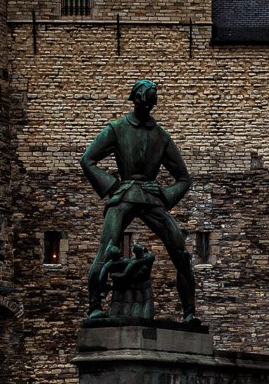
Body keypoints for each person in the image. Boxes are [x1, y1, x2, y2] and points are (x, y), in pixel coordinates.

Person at [81, 78, 202, 326]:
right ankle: (95, 306)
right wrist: (112, 186)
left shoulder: (161, 137)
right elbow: (88, 160)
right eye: (142, 102)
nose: (145, 107)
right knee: (105, 249)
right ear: (135, 100)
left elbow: (183, 178)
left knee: (180, 251)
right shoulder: (116, 129)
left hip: (150, 196)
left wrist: (165, 197)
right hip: (124, 194)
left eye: (149, 103)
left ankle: (189, 312)